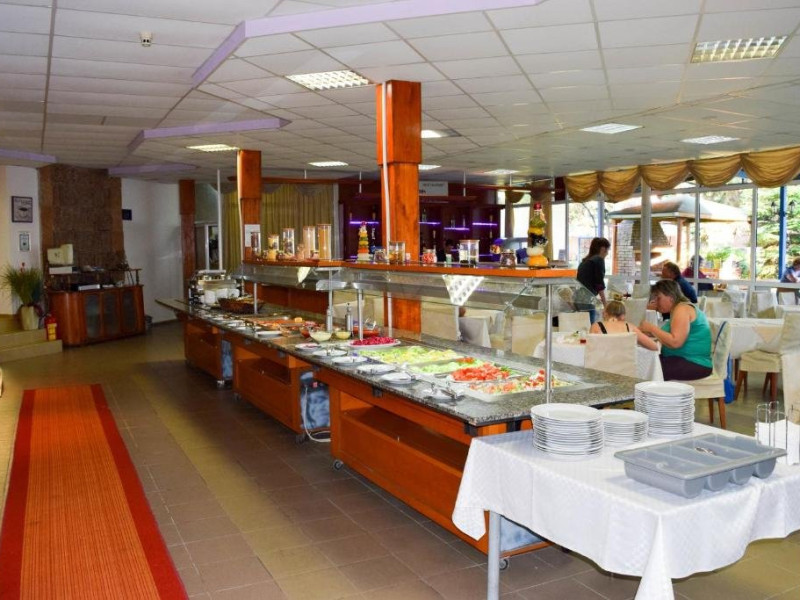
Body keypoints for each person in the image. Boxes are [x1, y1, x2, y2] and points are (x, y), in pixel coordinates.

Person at [639, 280, 713, 381]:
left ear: (671, 297)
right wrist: (650, 332)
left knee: (645, 369)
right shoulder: (678, 309)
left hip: (694, 363)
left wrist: (652, 328)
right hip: (683, 359)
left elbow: (675, 342)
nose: (655, 301)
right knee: (645, 363)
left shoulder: (682, 309)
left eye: (658, 298)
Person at [590, 300, 658, 351]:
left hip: (601, 364)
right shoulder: (630, 327)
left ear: (605, 313)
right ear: (623, 315)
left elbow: (590, 349)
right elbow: (654, 346)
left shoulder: (596, 326)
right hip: (626, 365)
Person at [575, 237, 610, 323]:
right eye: (607, 250)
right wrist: (605, 304)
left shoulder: (585, 261)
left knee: (582, 326)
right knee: (590, 327)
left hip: (578, 298)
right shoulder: (598, 260)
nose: (607, 253)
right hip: (587, 300)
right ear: (603, 249)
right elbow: (599, 284)